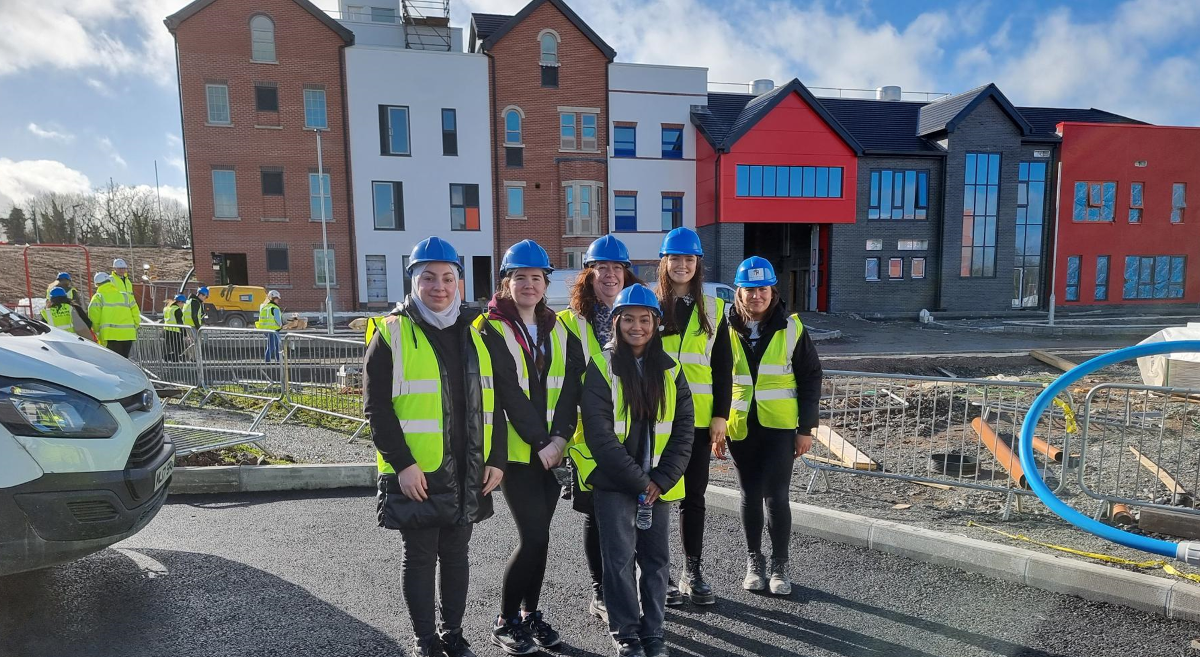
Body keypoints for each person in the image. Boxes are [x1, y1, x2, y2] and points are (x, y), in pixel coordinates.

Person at [363, 236, 507, 657]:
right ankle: (426, 639)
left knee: (458, 556)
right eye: (428, 277)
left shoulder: (477, 332)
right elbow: (377, 410)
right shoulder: (391, 332)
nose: (439, 286)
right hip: (418, 474)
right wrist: (402, 464)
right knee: (421, 558)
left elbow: (495, 402)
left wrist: (496, 458)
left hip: (467, 469)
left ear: (460, 282)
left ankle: (453, 634)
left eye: (448, 277)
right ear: (413, 281)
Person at [474, 240, 584, 655]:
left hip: (553, 450)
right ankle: (505, 619)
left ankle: (530, 614)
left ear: (545, 283)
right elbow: (506, 391)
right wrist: (543, 442)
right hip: (517, 454)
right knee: (534, 537)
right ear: (506, 282)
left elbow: (570, 385)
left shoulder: (560, 328)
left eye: (536, 277)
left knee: (543, 538)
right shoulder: (490, 328)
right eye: (520, 277)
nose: (529, 284)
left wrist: (560, 438)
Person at [581, 284, 693, 657]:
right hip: (616, 482)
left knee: (657, 561)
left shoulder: (672, 372)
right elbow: (600, 436)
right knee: (619, 560)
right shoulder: (601, 366)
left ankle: (653, 630)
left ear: (656, 323)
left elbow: (683, 430)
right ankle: (626, 631)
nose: (637, 326)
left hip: (658, 484)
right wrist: (640, 481)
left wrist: (661, 480)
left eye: (645, 319)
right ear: (616, 321)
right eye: (627, 318)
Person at [723, 257, 822, 596]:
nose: (756, 296)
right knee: (750, 495)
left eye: (762, 289)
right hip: (741, 426)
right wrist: (717, 424)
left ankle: (780, 564)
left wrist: (806, 428)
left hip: (780, 427)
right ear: (739, 292)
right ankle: (754, 561)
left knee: (777, 497)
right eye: (749, 290)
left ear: (772, 291)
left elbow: (810, 377)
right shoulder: (725, 328)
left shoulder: (792, 327)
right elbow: (717, 378)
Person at [561, 234, 641, 622]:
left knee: (636, 508)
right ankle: (601, 589)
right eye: (601, 268)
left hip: (637, 431)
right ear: (589, 274)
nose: (609, 275)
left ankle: (632, 583)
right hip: (590, 434)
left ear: (626, 273)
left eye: (616, 268)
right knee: (597, 512)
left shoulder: (640, 313)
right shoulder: (571, 323)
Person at [653, 227, 731, 606]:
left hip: (699, 420)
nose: (682, 265)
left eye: (689, 258)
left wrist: (721, 415)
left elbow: (723, 366)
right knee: (658, 494)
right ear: (664, 262)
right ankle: (660, 572)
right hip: (659, 418)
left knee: (694, 497)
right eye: (675, 258)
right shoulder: (650, 304)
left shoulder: (714, 308)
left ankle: (692, 570)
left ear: (697, 263)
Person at [88, 272, 140, 356]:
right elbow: (136, 313)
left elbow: (94, 318)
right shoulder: (126, 296)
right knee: (125, 361)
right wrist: (135, 326)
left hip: (109, 336)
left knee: (114, 363)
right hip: (128, 335)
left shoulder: (98, 297)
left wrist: (97, 332)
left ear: (97, 284)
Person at [256, 290, 283, 362]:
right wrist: (281, 326)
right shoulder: (275, 308)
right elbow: (278, 320)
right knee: (272, 346)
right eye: (277, 299)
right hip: (274, 330)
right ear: (273, 298)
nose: (278, 301)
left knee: (276, 346)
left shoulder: (265, 307)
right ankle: (268, 361)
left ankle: (278, 360)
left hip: (266, 330)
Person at [164, 294, 187, 362]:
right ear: (180, 302)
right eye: (183, 303)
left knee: (173, 347)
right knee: (179, 347)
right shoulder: (177, 310)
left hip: (167, 330)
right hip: (175, 331)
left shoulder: (167, 308)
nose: (183, 305)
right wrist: (184, 334)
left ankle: (171, 358)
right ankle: (170, 358)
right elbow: (180, 322)